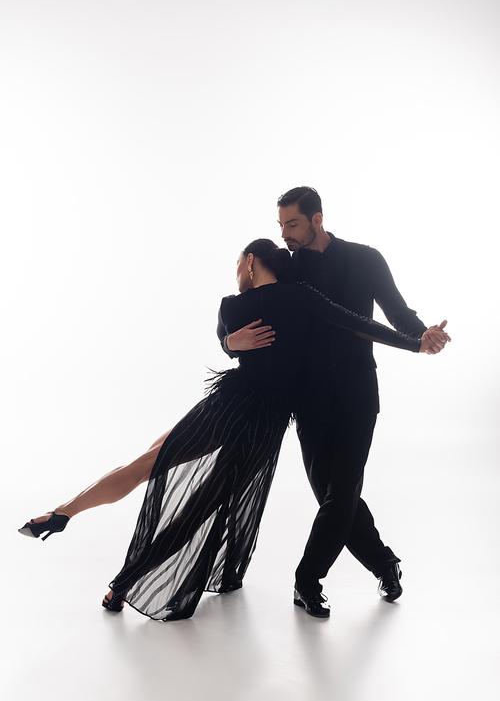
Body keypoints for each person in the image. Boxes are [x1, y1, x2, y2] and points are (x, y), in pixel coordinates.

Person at [18, 239, 445, 621]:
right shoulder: (303, 298)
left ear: (251, 261)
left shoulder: (231, 304)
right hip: (260, 420)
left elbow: (227, 336)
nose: (237, 271)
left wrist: (228, 344)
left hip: (230, 405)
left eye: (238, 263)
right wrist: (414, 342)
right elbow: (359, 324)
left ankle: (68, 519)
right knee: (182, 485)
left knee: (150, 468)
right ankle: (99, 553)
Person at [222, 188, 450, 618]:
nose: (286, 234)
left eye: (292, 224)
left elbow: (397, 313)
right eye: (281, 226)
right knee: (333, 497)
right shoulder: (288, 268)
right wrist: (229, 344)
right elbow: (252, 306)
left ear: (317, 219)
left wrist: (421, 336)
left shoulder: (367, 259)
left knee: (342, 492)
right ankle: (384, 563)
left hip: (358, 391)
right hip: (306, 397)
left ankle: (307, 580)